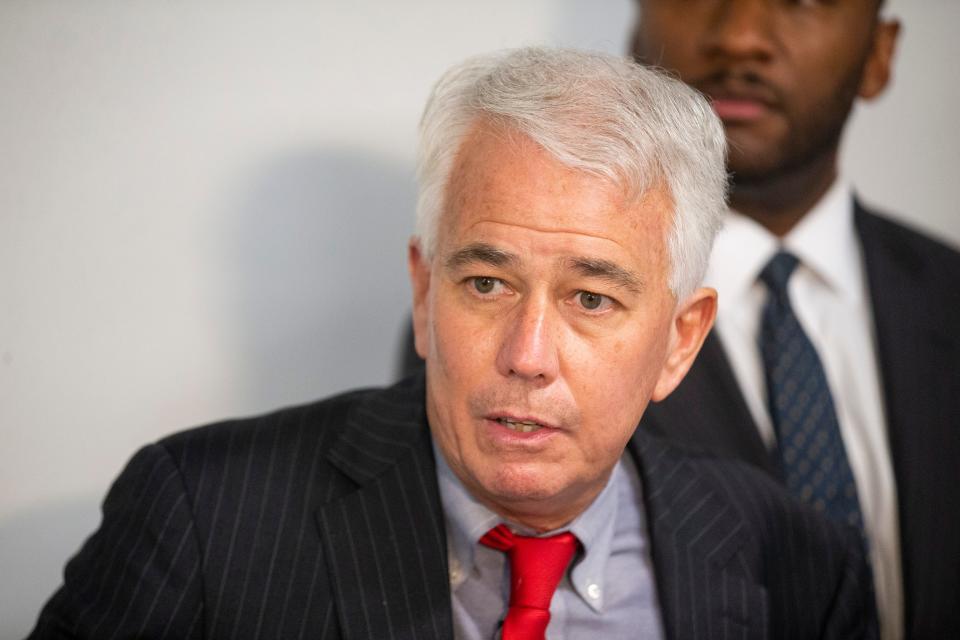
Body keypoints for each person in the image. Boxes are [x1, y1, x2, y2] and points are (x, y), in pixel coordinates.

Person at [29, 48, 876, 640]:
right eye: (486, 284)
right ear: (425, 295)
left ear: (679, 343)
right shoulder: (199, 515)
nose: (529, 354)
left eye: (591, 297)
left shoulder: (801, 561)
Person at [630, 1, 960, 639]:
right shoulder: (506, 325)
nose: (741, 37)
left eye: (803, 0)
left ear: (879, 55)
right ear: (636, 32)